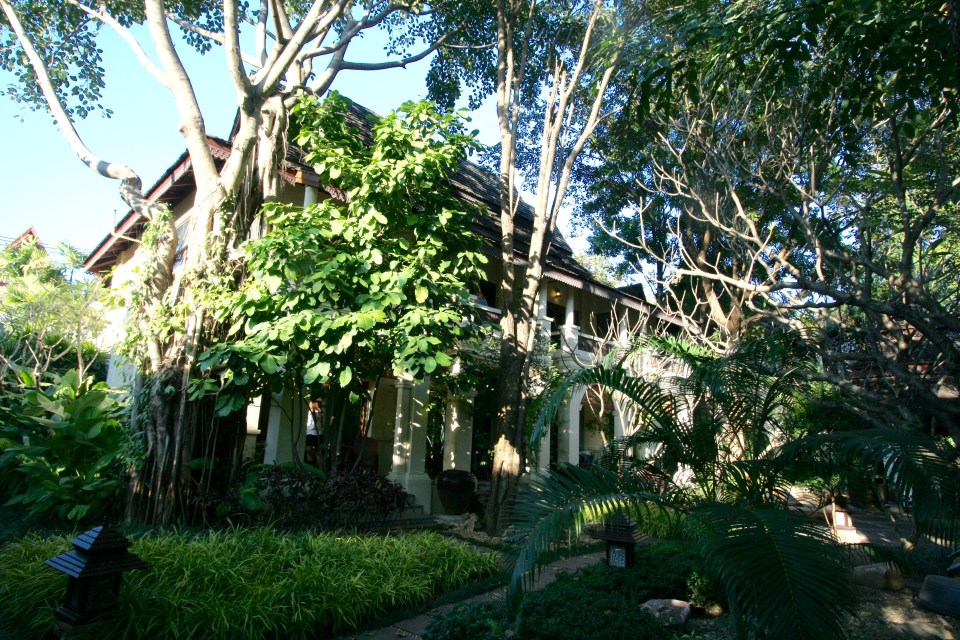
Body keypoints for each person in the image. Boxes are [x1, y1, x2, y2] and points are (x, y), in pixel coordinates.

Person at [305, 399, 323, 468]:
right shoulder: (311, 412)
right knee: (310, 451)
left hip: (315, 433)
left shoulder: (318, 412)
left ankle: (319, 467)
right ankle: (312, 466)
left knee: (316, 452)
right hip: (311, 433)